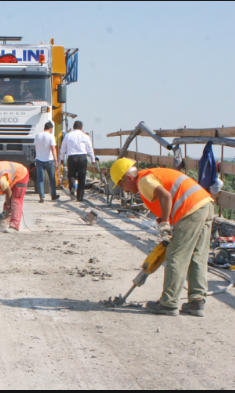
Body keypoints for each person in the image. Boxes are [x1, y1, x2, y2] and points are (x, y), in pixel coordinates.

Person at [110, 158, 214, 317]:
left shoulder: (143, 181)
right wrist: (165, 221)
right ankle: (196, 301)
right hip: (204, 204)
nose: (124, 190)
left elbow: (165, 196)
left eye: (122, 186)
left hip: (190, 208)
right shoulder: (151, 175)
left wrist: (165, 223)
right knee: (198, 254)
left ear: (129, 179)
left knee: (176, 255)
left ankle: (168, 303)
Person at [59, 120, 95, 202]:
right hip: (82, 157)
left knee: (71, 175)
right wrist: (92, 159)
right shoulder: (85, 136)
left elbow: (63, 148)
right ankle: (80, 196)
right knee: (82, 177)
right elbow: (89, 148)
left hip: (72, 157)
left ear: (73, 127)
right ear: (81, 128)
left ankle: (72, 188)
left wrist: (62, 158)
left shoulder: (68, 135)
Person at [34, 122, 60, 203]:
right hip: (49, 160)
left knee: (40, 179)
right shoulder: (51, 136)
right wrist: (56, 160)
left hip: (39, 160)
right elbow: (53, 148)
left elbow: (35, 147)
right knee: (52, 178)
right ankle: (53, 195)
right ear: (51, 129)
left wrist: (39, 154)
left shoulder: (37, 135)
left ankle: (42, 197)